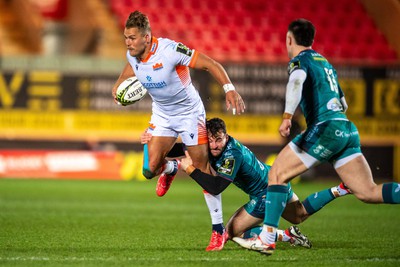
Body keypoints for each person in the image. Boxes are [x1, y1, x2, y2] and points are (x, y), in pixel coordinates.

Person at [234, 18, 400, 255]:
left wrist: (287, 116)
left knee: (276, 174)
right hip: (346, 128)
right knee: (368, 192)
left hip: (326, 128)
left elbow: (297, 81)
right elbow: (344, 102)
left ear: (289, 39)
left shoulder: (299, 61)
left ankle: (267, 238)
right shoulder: (326, 64)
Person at [111, 10, 245, 251]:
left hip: (189, 114)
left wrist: (229, 88)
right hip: (162, 114)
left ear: (147, 37)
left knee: (203, 168)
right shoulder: (132, 54)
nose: (127, 42)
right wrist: (118, 86)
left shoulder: (171, 51)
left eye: (132, 38)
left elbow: (210, 64)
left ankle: (217, 231)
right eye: (125, 37)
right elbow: (129, 69)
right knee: (149, 170)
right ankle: (171, 167)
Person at [144, 118, 351, 250]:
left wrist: (188, 169)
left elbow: (216, 187)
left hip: (265, 194)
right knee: (300, 214)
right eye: (211, 140)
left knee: (231, 233)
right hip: (277, 180)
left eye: (219, 140)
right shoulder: (210, 145)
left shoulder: (231, 155)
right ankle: (341, 189)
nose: (215, 145)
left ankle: (283, 237)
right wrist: (150, 140)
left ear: (226, 136)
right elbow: (172, 149)